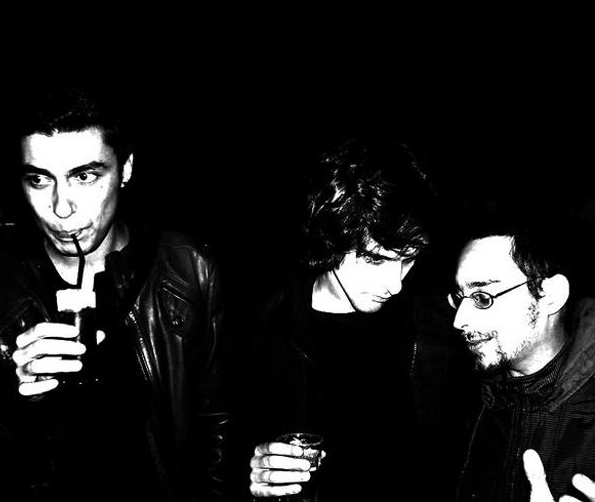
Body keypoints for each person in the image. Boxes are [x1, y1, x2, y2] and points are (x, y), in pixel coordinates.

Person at [0, 85, 233, 501]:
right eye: (39, 180)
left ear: (126, 168)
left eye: (84, 176)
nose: (62, 208)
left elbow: (218, 422)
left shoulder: (189, 267)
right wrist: (14, 402)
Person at [239, 136, 469, 501]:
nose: (394, 284)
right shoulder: (264, 326)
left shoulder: (439, 321)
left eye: (408, 259)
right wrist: (251, 473)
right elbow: (225, 442)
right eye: (375, 259)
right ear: (330, 237)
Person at [448, 203, 595, 502]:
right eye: (459, 297)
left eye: (482, 297)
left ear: (550, 296)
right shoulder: (473, 394)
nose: (458, 320)